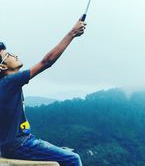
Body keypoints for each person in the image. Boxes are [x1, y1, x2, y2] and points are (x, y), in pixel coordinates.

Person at [0, 18, 86, 166]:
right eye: (8, 55)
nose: (14, 55)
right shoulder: (10, 82)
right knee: (73, 159)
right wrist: (72, 33)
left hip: (13, 144)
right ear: (2, 67)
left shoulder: (6, 85)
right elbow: (47, 62)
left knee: (66, 151)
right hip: (20, 143)